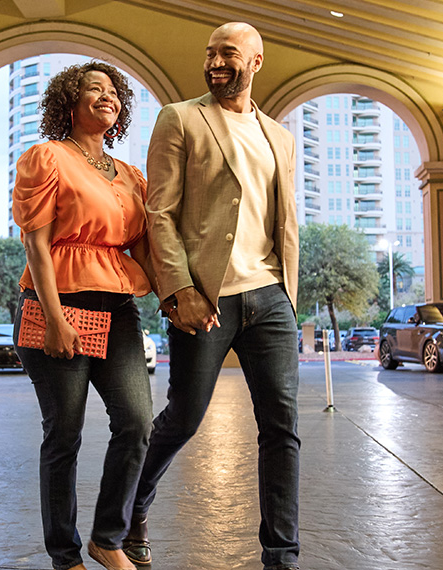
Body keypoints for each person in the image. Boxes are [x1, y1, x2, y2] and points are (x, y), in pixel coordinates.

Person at [127, 22, 302, 570]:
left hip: (270, 296)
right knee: (183, 417)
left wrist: (289, 296)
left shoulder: (281, 136)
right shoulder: (181, 118)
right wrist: (179, 289)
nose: (215, 62)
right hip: (206, 297)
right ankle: (130, 516)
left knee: (282, 426)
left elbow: (283, 219)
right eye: (210, 53)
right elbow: (159, 211)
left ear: (255, 61)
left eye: (228, 53)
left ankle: (282, 555)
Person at [12, 61, 157, 570]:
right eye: (94, 89)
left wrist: (182, 296)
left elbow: (142, 249)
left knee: (137, 423)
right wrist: (54, 318)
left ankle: (107, 538)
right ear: (69, 102)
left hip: (117, 307)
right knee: (64, 434)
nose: (107, 96)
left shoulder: (130, 175)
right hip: (58, 305)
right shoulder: (48, 158)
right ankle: (64, 555)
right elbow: (36, 243)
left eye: (114, 92)